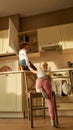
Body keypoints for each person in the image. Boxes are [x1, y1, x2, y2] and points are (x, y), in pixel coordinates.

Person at [28, 61, 56, 127]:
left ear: (40, 67)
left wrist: (29, 66)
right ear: (46, 67)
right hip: (46, 82)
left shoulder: (38, 71)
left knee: (37, 88)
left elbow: (32, 70)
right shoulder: (47, 72)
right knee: (49, 102)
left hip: (38, 82)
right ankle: (53, 121)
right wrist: (49, 71)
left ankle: (40, 90)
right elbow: (50, 77)